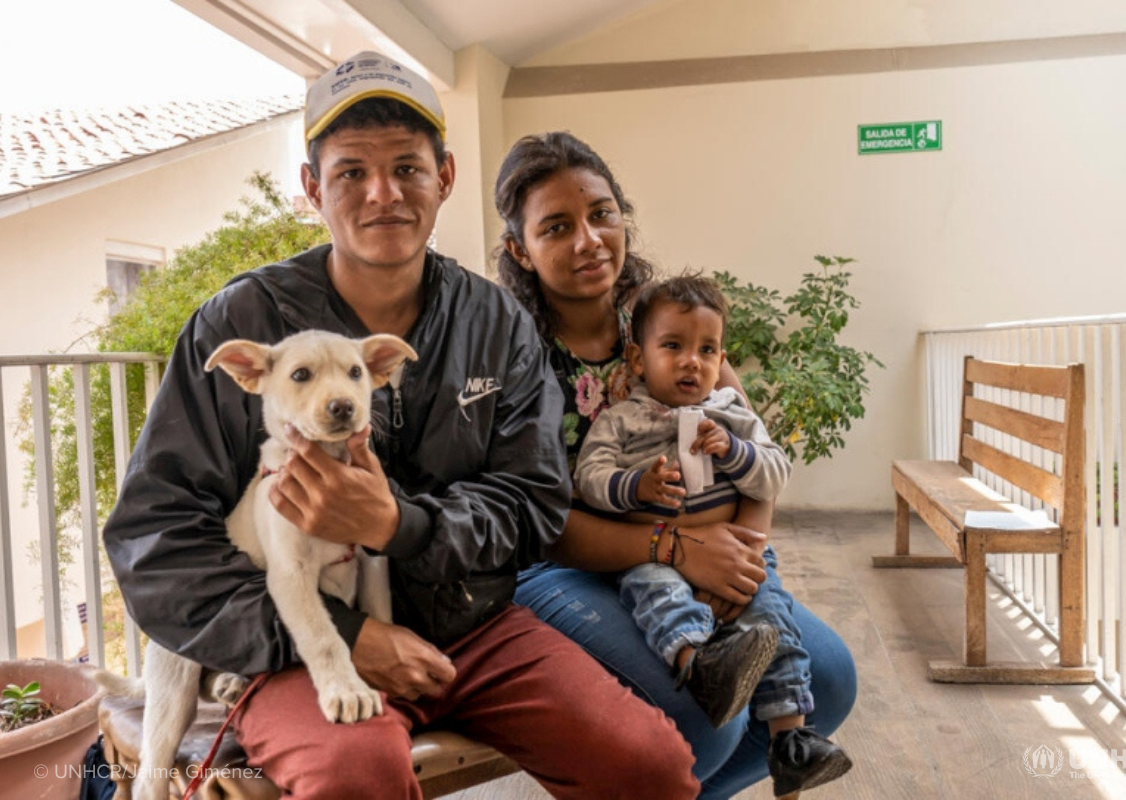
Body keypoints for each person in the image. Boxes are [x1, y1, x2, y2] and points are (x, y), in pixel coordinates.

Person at [103, 52, 699, 799]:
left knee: (650, 766)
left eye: (408, 169)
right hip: (298, 641)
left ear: (444, 178)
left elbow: (534, 502)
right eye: (351, 172)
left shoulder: (495, 323)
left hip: (471, 627)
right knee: (356, 775)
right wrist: (347, 636)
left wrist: (402, 524)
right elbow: (153, 539)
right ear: (313, 189)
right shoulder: (240, 323)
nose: (383, 194)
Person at [495, 130, 858, 799]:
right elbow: (537, 524)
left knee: (830, 680)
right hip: (570, 563)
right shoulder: (512, 356)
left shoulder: (668, 318)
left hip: (707, 541)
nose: (589, 240)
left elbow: (746, 428)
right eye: (557, 226)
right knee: (704, 717)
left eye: (602, 214)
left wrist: (742, 551)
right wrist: (678, 549)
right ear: (520, 248)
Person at [573, 273, 853, 796]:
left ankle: (791, 740)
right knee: (656, 593)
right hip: (652, 554)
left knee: (770, 616)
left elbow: (774, 472)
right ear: (637, 360)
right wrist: (637, 486)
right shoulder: (622, 420)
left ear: (721, 358)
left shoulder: (731, 415)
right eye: (672, 346)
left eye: (707, 350)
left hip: (734, 552)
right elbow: (589, 479)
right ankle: (697, 663)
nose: (691, 361)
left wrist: (735, 451)